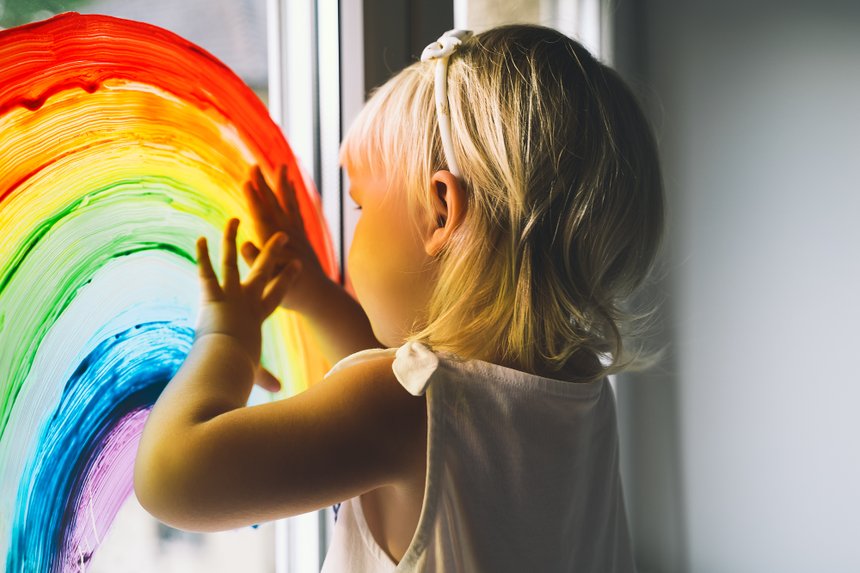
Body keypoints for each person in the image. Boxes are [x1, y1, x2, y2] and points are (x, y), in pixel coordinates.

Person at [134, 22, 666, 572]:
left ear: (440, 210)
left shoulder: (407, 412)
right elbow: (416, 397)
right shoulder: (576, 388)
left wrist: (227, 338)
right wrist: (314, 294)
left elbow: (171, 477)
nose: (351, 232)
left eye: (361, 208)